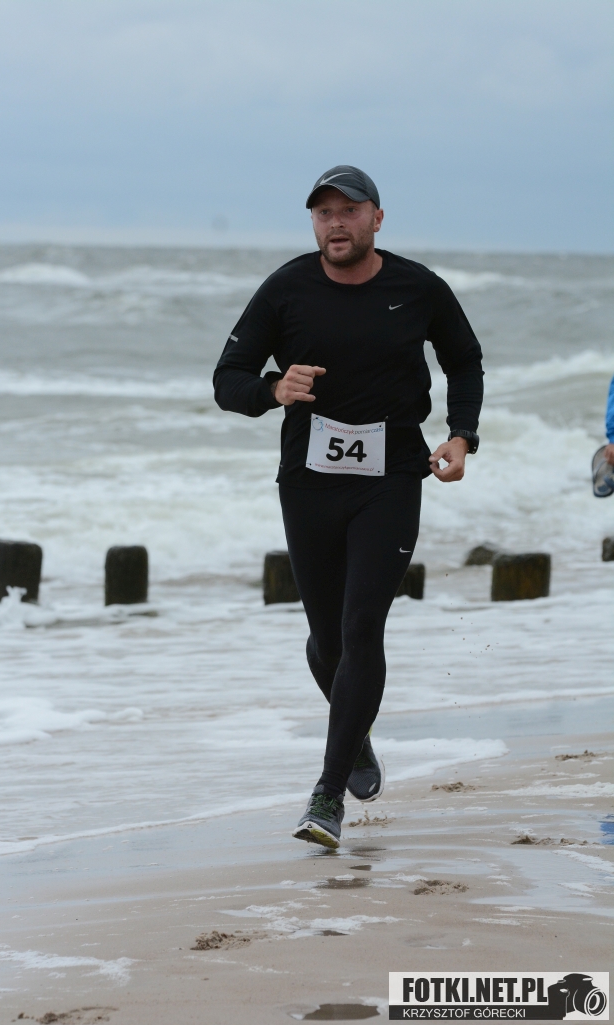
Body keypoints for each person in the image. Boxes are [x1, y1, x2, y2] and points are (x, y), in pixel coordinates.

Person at [213, 165, 483, 849]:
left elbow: (464, 360)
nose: (336, 223)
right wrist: (273, 389)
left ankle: (326, 795)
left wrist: (460, 436)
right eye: (323, 212)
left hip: (390, 477)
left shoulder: (417, 287)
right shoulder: (287, 288)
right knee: (326, 639)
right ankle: (354, 733)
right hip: (308, 481)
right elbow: (227, 380)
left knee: (362, 626)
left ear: (376, 219)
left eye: (349, 210)